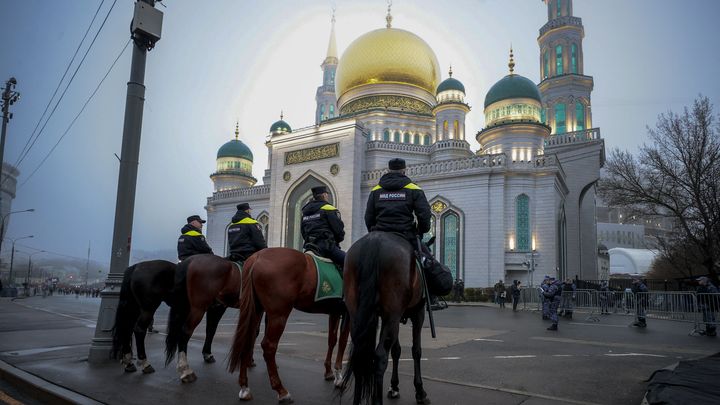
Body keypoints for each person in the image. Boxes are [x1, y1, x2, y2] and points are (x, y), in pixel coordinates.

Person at [364, 158, 451, 310]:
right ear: (404, 170)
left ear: (389, 170)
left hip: (379, 232)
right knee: (427, 262)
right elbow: (424, 216)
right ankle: (432, 298)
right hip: (405, 234)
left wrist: (374, 231)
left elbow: (368, 217)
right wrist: (420, 231)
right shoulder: (413, 188)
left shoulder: (376, 190)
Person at [301, 186, 345, 270]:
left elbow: (303, 232)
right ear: (324, 195)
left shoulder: (305, 212)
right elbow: (339, 231)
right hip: (326, 247)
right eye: (326, 194)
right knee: (349, 261)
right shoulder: (329, 208)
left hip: (309, 247)